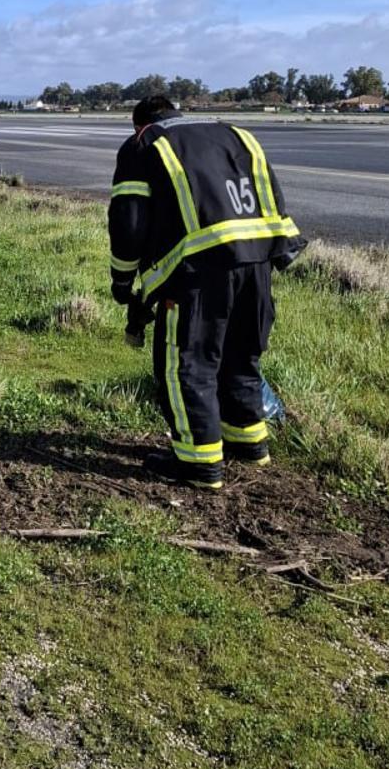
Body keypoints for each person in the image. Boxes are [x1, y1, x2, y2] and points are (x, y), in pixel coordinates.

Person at [107, 94, 302, 490]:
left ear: (139, 122)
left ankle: (198, 464)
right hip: (257, 260)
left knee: (187, 364)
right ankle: (249, 444)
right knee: (241, 355)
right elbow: (271, 195)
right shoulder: (236, 134)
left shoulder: (145, 143)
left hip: (199, 271)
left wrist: (123, 281)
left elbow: (128, 222)